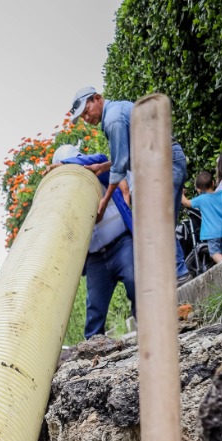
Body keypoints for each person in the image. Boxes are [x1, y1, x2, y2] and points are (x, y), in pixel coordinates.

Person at [70, 86, 191, 283]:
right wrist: (103, 165)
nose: (86, 118)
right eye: (82, 116)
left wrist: (104, 201)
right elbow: (129, 154)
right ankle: (180, 274)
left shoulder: (113, 120)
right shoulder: (118, 110)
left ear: (97, 98)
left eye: (86, 111)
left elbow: (119, 168)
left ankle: (178, 274)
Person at [52, 142, 136, 340]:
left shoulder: (98, 173)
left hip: (121, 244)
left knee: (136, 282)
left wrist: (68, 164)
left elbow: (101, 160)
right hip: (95, 259)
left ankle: (150, 329)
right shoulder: (61, 198)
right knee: (94, 311)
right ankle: (93, 352)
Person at [182, 171, 222, 263]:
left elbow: (186, 203)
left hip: (212, 232)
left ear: (198, 190)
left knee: (215, 253)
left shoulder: (201, 199)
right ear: (213, 183)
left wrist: (181, 194)